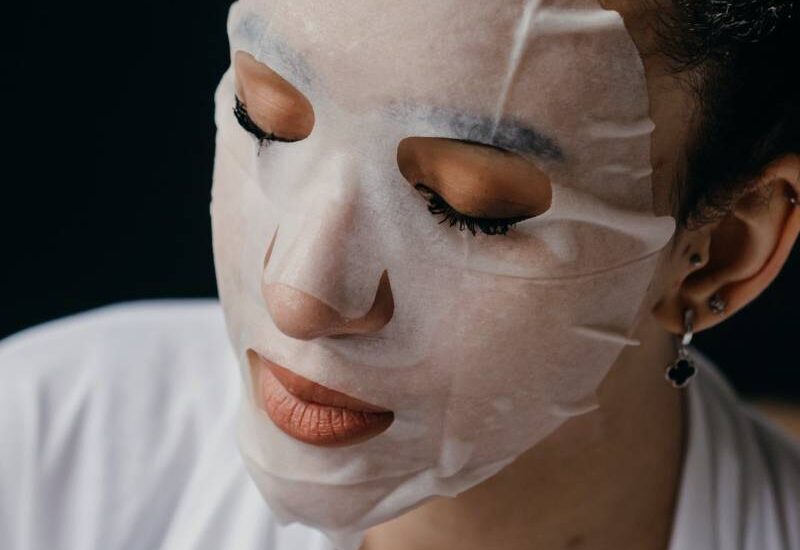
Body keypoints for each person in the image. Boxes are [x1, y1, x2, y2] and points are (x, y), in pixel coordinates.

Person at [2, 1, 799, 549]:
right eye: (264, 120)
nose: (301, 292)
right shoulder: (42, 456)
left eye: (468, 208)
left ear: (722, 249)